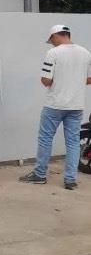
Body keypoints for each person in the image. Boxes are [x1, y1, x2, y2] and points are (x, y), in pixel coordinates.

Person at [20, 24, 91, 190]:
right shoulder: (85, 53)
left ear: (56, 36)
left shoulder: (53, 53)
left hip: (54, 105)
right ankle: (70, 180)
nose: (51, 43)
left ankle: (39, 175)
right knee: (73, 142)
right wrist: (74, 81)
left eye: (51, 40)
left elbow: (46, 80)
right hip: (76, 105)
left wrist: (60, 80)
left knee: (45, 139)